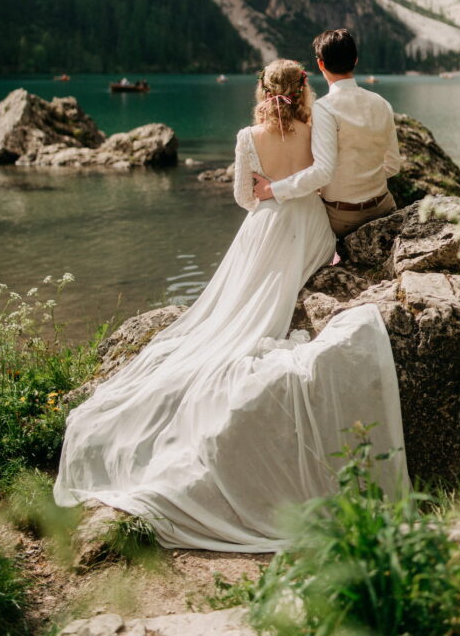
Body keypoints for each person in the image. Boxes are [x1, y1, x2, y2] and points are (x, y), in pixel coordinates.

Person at [54, 58, 409, 551]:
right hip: (310, 228)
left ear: (262, 90)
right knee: (269, 306)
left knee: (228, 312)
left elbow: (246, 199)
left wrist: (270, 196)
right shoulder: (315, 124)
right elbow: (324, 178)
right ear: (303, 87)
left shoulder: (247, 137)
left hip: (263, 227)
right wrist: (294, 193)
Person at [253, 29, 400, 238]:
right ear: (355, 60)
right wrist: (364, 176)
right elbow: (393, 165)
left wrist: (273, 190)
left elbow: (323, 172)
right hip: (384, 208)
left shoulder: (325, 108)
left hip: (343, 218)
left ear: (320, 64)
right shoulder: (382, 103)